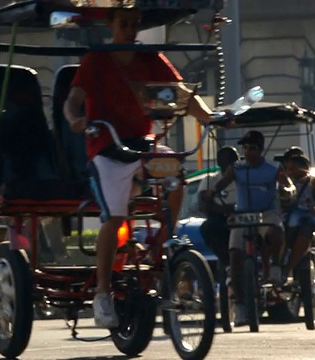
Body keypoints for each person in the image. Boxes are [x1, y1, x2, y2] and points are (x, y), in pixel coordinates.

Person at [63, 5, 216, 328]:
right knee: (115, 217)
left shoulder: (149, 58)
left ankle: (160, 245)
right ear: (111, 25)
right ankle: (102, 294)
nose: (130, 30)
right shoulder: (96, 61)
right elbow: (73, 99)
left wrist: (212, 118)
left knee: (175, 175)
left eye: (134, 25)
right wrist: (75, 118)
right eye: (124, 24)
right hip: (106, 148)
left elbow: (184, 96)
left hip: (142, 146)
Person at [206, 130, 296, 326]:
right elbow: (223, 182)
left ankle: (273, 265)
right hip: (243, 214)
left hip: (267, 212)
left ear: (261, 150)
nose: (248, 152)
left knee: (276, 232)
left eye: (252, 148)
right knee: (235, 256)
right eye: (245, 148)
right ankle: (239, 305)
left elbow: (288, 185)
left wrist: (286, 191)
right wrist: (212, 191)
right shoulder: (237, 167)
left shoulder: (274, 167)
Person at [282, 153, 315, 279]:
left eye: (293, 168)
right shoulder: (288, 181)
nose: (290, 171)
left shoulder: (312, 181)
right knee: (290, 228)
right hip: (295, 211)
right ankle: (284, 254)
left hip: (309, 212)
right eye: (288, 169)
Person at [198, 146, 240, 267]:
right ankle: (228, 264)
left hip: (245, 215)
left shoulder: (245, 176)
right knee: (209, 227)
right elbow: (203, 206)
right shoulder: (210, 180)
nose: (232, 164)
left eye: (234, 160)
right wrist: (227, 210)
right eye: (228, 160)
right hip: (222, 219)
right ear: (219, 163)